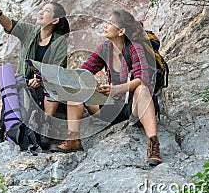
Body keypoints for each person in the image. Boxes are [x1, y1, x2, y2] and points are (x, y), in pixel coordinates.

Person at [50, 10, 162, 166]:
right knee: (78, 87)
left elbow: (142, 80)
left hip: (134, 106)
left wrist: (116, 89)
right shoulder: (105, 48)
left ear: (121, 31)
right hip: (111, 107)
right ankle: (74, 139)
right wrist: (52, 76)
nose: (106, 25)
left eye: (110, 23)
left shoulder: (135, 48)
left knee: (141, 89)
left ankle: (153, 145)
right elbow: (84, 71)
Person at [0, 0, 70, 152]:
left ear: (55, 20)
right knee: (0, 104)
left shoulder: (60, 41)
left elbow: (58, 69)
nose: (41, 12)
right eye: (42, 9)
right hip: (24, 83)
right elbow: (10, 25)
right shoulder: (30, 31)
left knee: (53, 91)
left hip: (47, 85)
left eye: (47, 11)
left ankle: (45, 129)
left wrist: (41, 79)